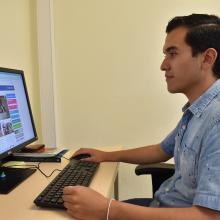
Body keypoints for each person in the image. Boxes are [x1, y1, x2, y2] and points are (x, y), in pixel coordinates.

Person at [63, 14, 220, 220]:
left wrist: (107, 209)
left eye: (172, 53)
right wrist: (106, 155)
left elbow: (209, 217)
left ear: (207, 58)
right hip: (162, 206)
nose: (163, 65)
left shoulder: (216, 119)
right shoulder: (197, 110)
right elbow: (160, 150)